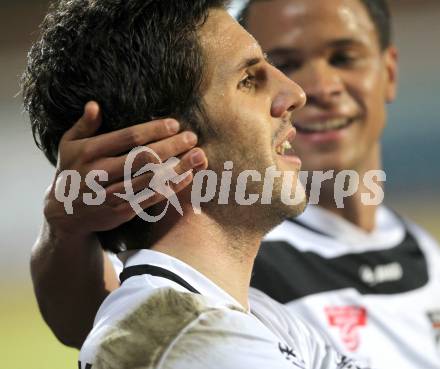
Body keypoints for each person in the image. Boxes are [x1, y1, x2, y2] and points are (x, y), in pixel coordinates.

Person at [27, 0, 440, 368]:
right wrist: (66, 225)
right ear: (160, 141)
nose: (305, 92)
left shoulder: (260, 308)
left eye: (344, 57)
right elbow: (108, 318)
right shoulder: (184, 318)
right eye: (252, 77)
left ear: (388, 71)